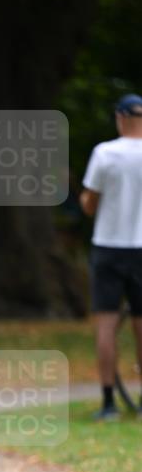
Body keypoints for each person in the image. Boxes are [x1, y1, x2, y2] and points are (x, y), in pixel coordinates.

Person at [80, 93, 142, 420]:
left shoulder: (105, 153)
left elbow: (90, 203)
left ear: (120, 117)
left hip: (109, 244)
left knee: (106, 323)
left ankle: (108, 403)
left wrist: (85, 200)